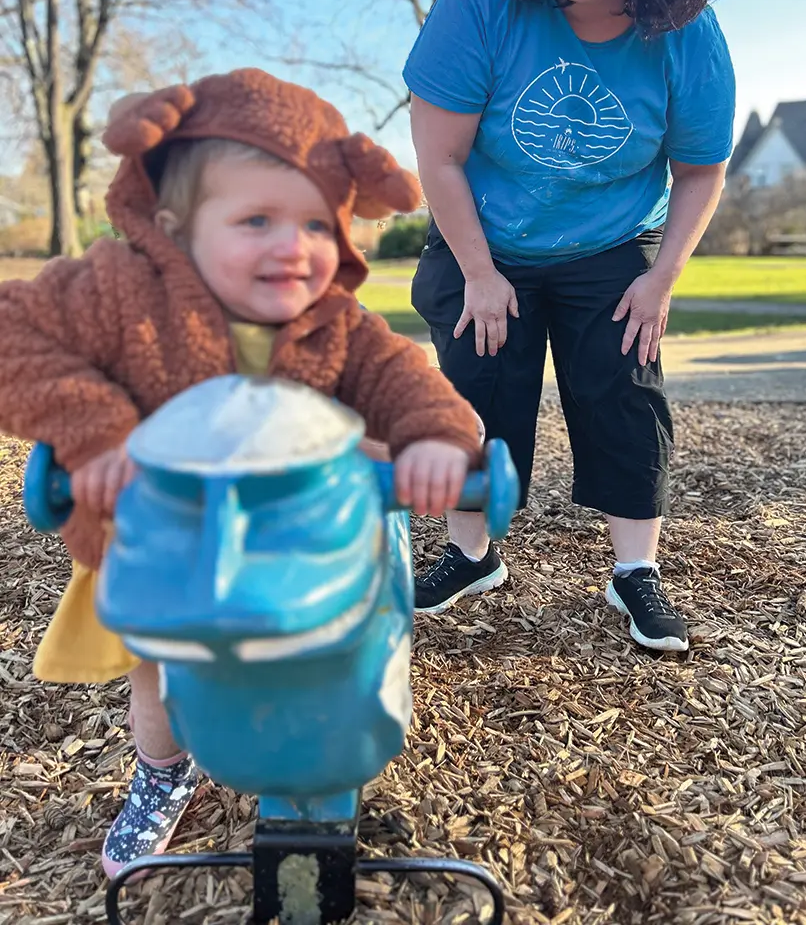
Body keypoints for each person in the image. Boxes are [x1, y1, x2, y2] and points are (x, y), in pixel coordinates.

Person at [0, 70, 483, 876]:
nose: (294, 247)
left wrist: (433, 438)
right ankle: (162, 776)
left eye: (315, 223)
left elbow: (403, 378)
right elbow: (11, 334)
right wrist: (98, 434)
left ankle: (310, 772)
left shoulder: (332, 321)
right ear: (172, 225)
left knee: (327, 662)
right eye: (257, 219)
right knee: (164, 675)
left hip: (305, 545)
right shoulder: (120, 292)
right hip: (170, 541)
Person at [403, 0, 735, 652]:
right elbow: (439, 159)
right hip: (485, 236)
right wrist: (478, 274)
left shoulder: (688, 32)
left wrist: (662, 278)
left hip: (612, 242)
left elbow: (701, 169)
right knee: (476, 400)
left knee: (623, 394)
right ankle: (472, 554)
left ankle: (636, 572)